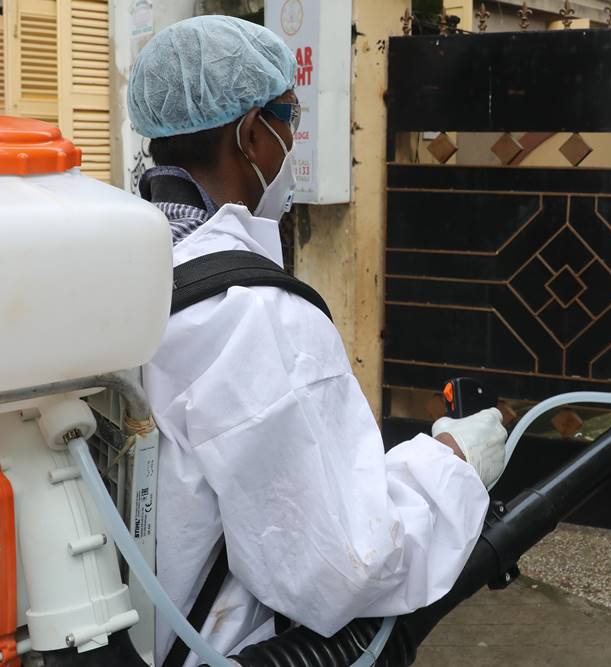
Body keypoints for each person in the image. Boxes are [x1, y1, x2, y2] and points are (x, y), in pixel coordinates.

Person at [128, 16, 508, 665]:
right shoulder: (253, 313)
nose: (290, 140)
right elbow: (345, 563)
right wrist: (452, 462)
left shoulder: (119, 266)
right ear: (251, 133)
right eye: (288, 117)